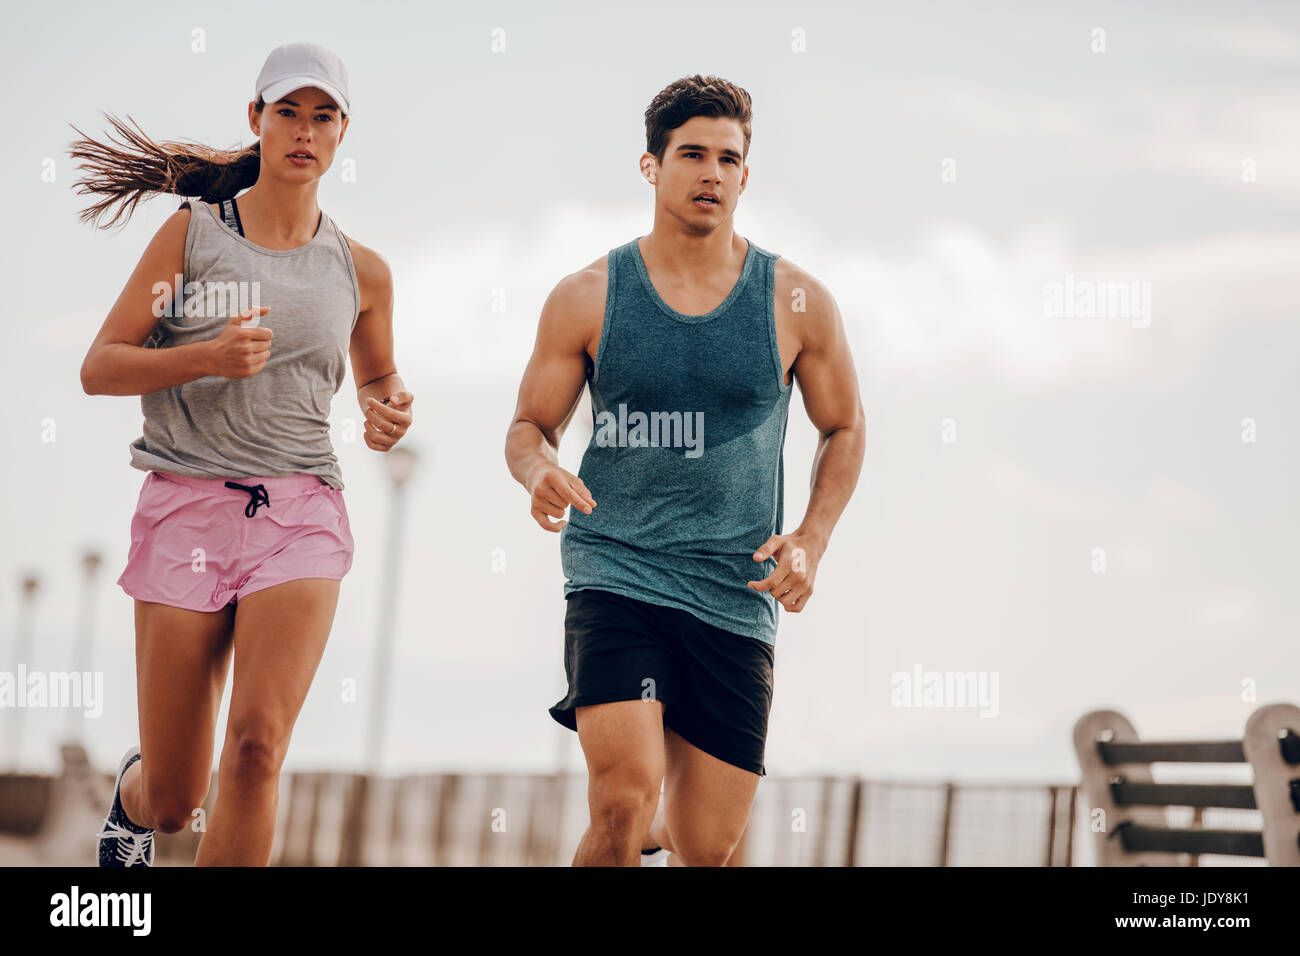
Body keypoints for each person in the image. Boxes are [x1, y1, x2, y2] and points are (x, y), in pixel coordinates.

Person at [505, 75, 865, 866]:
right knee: (623, 799)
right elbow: (531, 425)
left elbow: (841, 426)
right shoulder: (589, 295)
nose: (711, 173)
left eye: (728, 159)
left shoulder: (797, 301)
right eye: (692, 154)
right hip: (617, 568)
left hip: (736, 592)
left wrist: (812, 537)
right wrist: (537, 470)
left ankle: (673, 827)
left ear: (746, 174)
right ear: (651, 167)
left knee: (708, 844)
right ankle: (641, 822)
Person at [73, 41, 414, 866]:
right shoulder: (191, 238)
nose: (305, 131)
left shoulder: (361, 270)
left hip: (300, 514)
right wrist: (203, 357)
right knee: (177, 797)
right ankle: (133, 794)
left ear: (342, 133)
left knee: (257, 751)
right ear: (255, 120)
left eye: (323, 115)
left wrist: (386, 411)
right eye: (288, 112)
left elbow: (379, 378)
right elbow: (100, 367)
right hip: (185, 507)